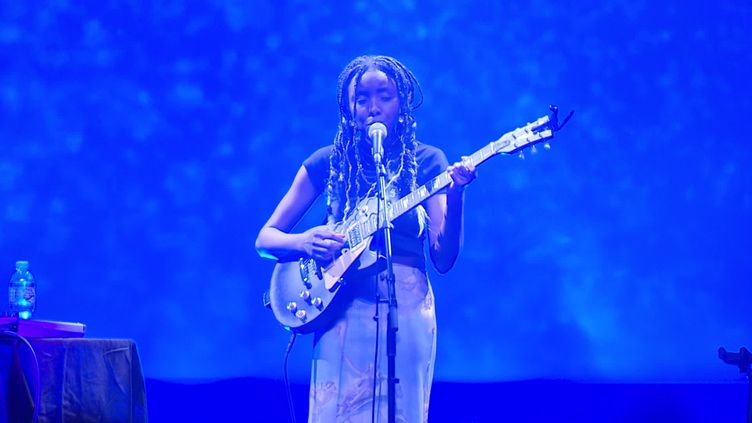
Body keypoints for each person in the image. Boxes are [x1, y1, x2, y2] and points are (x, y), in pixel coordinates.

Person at [255, 55, 477, 423]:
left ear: (402, 103)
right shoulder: (327, 162)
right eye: (363, 99)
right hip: (340, 308)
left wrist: (457, 195)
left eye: (384, 96)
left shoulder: (428, 161)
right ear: (349, 107)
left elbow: (443, 257)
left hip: (406, 309)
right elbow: (266, 238)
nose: (373, 108)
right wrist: (305, 241)